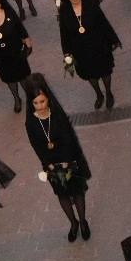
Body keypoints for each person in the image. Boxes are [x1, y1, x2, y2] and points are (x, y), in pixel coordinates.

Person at [23, 74, 91, 240]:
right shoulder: (30, 122)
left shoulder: (58, 116)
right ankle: (73, 223)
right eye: (36, 103)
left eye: (42, 101)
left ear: (48, 99)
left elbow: (69, 139)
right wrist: (48, 164)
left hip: (69, 160)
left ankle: (82, 221)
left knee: (77, 192)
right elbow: (36, 146)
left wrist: (67, 161)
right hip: (52, 165)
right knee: (62, 194)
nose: (40, 106)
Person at [58, 0, 120, 110]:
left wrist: (114, 39)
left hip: (98, 45)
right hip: (80, 50)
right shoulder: (64, 12)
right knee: (89, 74)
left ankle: (108, 92)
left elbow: (104, 23)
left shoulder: (91, 5)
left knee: (104, 70)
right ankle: (98, 94)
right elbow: (64, 35)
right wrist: (67, 54)